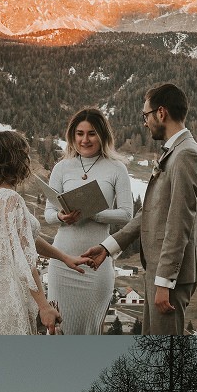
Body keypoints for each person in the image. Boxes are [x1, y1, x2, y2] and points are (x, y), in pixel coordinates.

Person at [84, 85, 197, 338]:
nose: (145, 122)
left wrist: (164, 281)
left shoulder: (186, 155)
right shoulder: (175, 152)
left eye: (146, 115)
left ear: (161, 113)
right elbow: (151, 212)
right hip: (159, 273)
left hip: (169, 276)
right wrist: (108, 247)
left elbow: (179, 222)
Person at [0, 130, 89, 334]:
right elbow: (24, 260)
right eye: (25, 155)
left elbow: (23, 239)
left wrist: (64, 258)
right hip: (9, 296)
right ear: (16, 159)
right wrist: (44, 306)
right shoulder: (10, 199)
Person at [45, 108, 134, 335]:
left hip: (97, 263)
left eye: (92, 133)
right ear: (72, 136)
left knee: (90, 330)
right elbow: (48, 214)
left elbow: (126, 214)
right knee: (58, 330)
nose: (85, 140)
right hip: (62, 261)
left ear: (102, 135)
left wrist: (93, 214)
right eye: (79, 133)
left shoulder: (116, 168)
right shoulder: (62, 168)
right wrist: (61, 216)